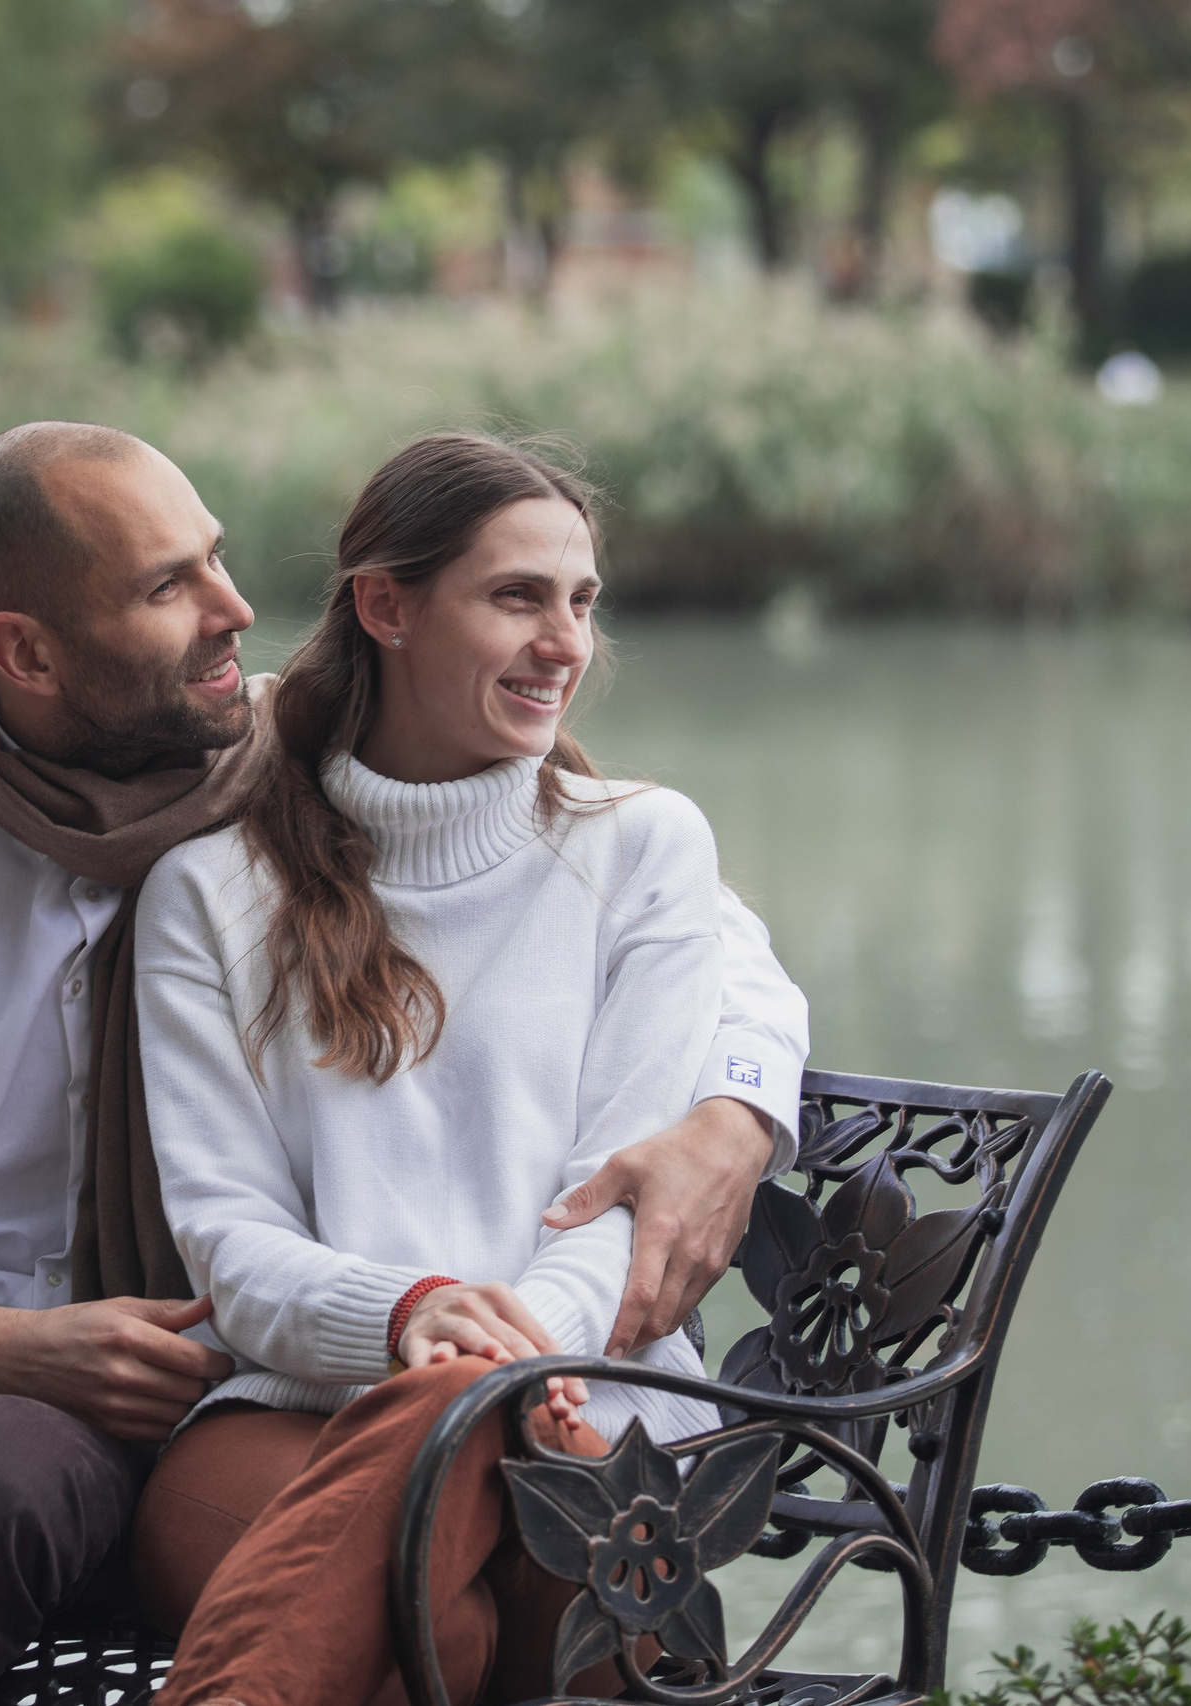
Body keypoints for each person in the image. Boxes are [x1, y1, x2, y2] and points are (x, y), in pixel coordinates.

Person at [0, 422, 811, 1706]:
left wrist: (736, 1109)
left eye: (211, 558)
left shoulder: (273, 749)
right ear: (24, 651)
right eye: (168, 586)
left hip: (123, 1401)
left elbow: (687, 915)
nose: (236, 611)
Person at [130, 434, 738, 1706]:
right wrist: (411, 1318)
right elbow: (229, 1241)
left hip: (588, 1414)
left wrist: (509, 1368)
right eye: (517, 597)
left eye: (580, 601)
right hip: (291, 1414)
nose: (564, 641)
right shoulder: (209, 892)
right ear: (386, 605)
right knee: (434, 1609)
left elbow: (616, 1202)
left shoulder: (642, 850)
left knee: (442, 1598)